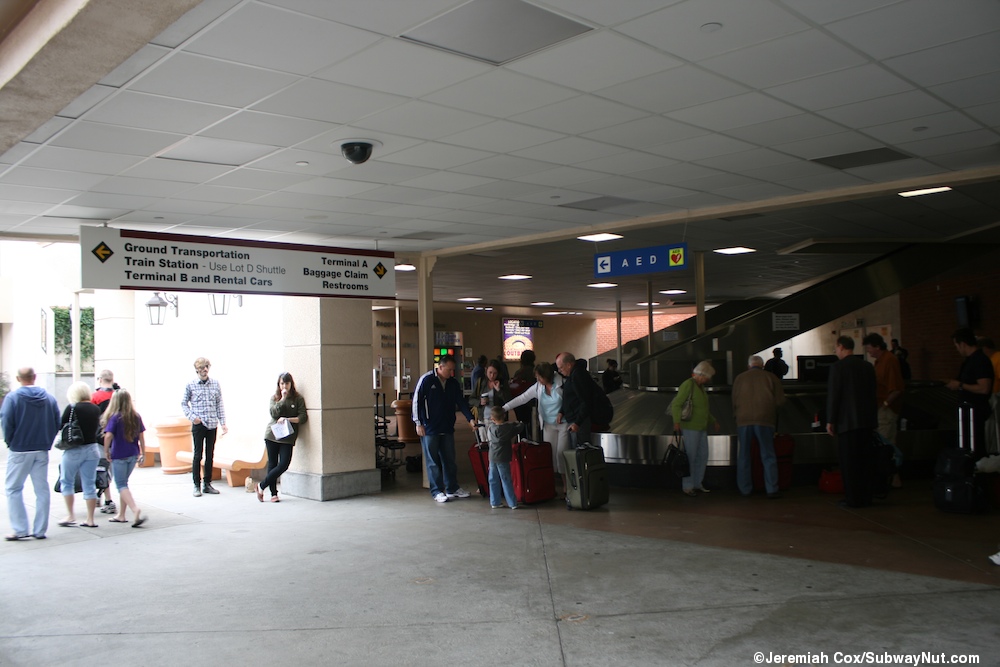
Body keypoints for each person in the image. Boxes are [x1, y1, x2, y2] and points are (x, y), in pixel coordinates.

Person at [1, 367, 59, 540]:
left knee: (13, 488)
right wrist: (47, 440)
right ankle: (40, 530)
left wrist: (10, 441)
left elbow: (6, 421)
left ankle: (20, 529)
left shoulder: (12, 398)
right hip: (41, 449)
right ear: (34, 377)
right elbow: (57, 421)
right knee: (41, 489)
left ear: (18, 378)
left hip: (20, 449)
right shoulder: (49, 398)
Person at [412, 354, 477, 503]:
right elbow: (417, 402)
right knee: (433, 461)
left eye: (453, 370)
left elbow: (460, 401)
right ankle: (436, 491)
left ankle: (452, 488)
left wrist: (470, 419)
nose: (451, 373)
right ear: (440, 367)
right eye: (449, 370)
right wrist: (418, 423)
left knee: (449, 459)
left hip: (447, 427)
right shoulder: (427, 380)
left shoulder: (452, 383)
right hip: (430, 428)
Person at [503, 362, 570, 497]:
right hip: (548, 425)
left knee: (561, 454)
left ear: (547, 376)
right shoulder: (539, 387)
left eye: (540, 377)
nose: (538, 380)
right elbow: (523, 398)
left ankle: (566, 486)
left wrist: (563, 413)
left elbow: (570, 402)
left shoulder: (562, 384)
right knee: (549, 456)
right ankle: (549, 486)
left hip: (564, 424)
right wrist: (505, 407)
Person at [826, 336, 878, 508]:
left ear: (841, 347)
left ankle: (852, 498)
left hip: (846, 422)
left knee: (849, 463)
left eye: (836, 348)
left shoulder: (838, 367)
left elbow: (835, 396)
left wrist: (831, 420)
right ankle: (866, 497)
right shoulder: (867, 366)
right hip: (867, 421)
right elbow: (873, 393)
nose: (836, 352)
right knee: (865, 461)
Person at [732, 355, 786, 499]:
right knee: (768, 454)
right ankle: (771, 489)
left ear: (749, 365)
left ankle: (745, 489)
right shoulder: (771, 378)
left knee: (744, 455)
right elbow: (780, 401)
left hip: (744, 420)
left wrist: (737, 415)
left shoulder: (740, 378)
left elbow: (734, 399)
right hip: (765, 420)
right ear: (762, 365)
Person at [56, 382, 103, 529]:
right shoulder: (95, 409)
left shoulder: (72, 408)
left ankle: (71, 515)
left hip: (74, 449)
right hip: (92, 449)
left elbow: (60, 425)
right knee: (89, 483)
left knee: (67, 481)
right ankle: (90, 519)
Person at [255, 372, 308, 503]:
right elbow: (273, 413)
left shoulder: (297, 399)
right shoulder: (275, 398)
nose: (284, 386)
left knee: (283, 464)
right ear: (278, 384)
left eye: (287, 383)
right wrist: (282, 400)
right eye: (282, 383)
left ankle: (261, 485)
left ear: (291, 384)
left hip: (287, 436)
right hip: (272, 434)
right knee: (272, 464)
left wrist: (288, 419)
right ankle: (273, 493)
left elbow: (303, 417)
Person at [672, 361, 721, 497]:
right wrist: (676, 422)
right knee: (691, 457)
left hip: (701, 427)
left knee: (702, 455)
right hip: (690, 427)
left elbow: (703, 408)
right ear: (701, 375)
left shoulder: (701, 387)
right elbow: (677, 404)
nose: (708, 379)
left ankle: (697, 483)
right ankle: (688, 485)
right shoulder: (688, 385)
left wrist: (713, 421)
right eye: (707, 376)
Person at [181, 356, 228, 497]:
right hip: (199, 424)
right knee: (197, 454)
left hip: (212, 423)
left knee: (210, 454)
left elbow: (219, 404)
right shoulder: (191, 385)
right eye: (202, 368)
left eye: (206, 367)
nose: (205, 370)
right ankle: (196, 484)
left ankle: (207, 483)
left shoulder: (215, 384)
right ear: (197, 370)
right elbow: (183, 403)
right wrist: (192, 417)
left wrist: (223, 422)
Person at [863, 333, 905, 487]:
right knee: (886, 443)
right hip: (882, 407)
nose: (869, 352)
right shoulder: (880, 361)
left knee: (886, 444)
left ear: (877, 346)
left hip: (886, 409)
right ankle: (891, 477)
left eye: (869, 349)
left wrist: (886, 404)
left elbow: (896, 388)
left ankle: (891, 477)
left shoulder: (889, 361)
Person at [944, 328, 993, 454]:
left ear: (963, 344)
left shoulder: (980, 360)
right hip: (966, 411)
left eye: (956, 345)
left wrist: (960, 385)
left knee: (975, 445)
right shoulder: (969, 361)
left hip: (976, 411)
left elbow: (984, 388)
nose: (957, 349)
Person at [101, 389, 146, 527]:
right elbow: (141, 437)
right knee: (124, 484)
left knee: (120, 484)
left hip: (119, 454)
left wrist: (106, 451)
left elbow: (108, 435)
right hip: (133, 454)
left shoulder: (115, 417)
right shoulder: (135, 416)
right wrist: (143, 452)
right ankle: (121, 515)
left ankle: (135, 509)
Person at [90, 368, 118, 515]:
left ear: (100, 379)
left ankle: (106, 499)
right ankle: (101, 494)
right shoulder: (118, 396)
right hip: (118, 438)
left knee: (102, 468)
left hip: (101, 437)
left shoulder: (95, 397)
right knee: (110, 469)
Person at [486, 406, 525, 510]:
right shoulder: (508, 429)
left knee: (493, 479)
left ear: (492, 419)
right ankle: (512, 503)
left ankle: (495, 501)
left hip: (492, 456)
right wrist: (518, 423)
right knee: (506, 479)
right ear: (504, 416)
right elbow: (519, 427)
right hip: (503, 457)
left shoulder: (491, 428)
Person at [556, 352, 596, 447]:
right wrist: (562, 411)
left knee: (580, 451)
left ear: (569, 365)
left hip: (579, 421)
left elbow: (585, 400)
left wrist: (577, 423)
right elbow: (569, 397)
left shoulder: (578, 375)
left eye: (561, 368)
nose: (560, 371)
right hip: (575, 419)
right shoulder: (572, 376)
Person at [472, 360, 510, 432]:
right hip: (483, 419)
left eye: (495, 373)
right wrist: (480, 402)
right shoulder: (481, 382)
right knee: (484, 442)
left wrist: (499, 390)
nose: (492, 376)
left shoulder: (502, 383)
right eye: (490, 372)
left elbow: (508, 400)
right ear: (486, 370)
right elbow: (471, 399)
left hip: (498, 420)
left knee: (496, 441)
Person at [509, 350, 537, 425]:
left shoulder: (519, 372)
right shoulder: (536, 371)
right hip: (533, 401)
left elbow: (514, 386)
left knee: (522, 424)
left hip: (520, 402)